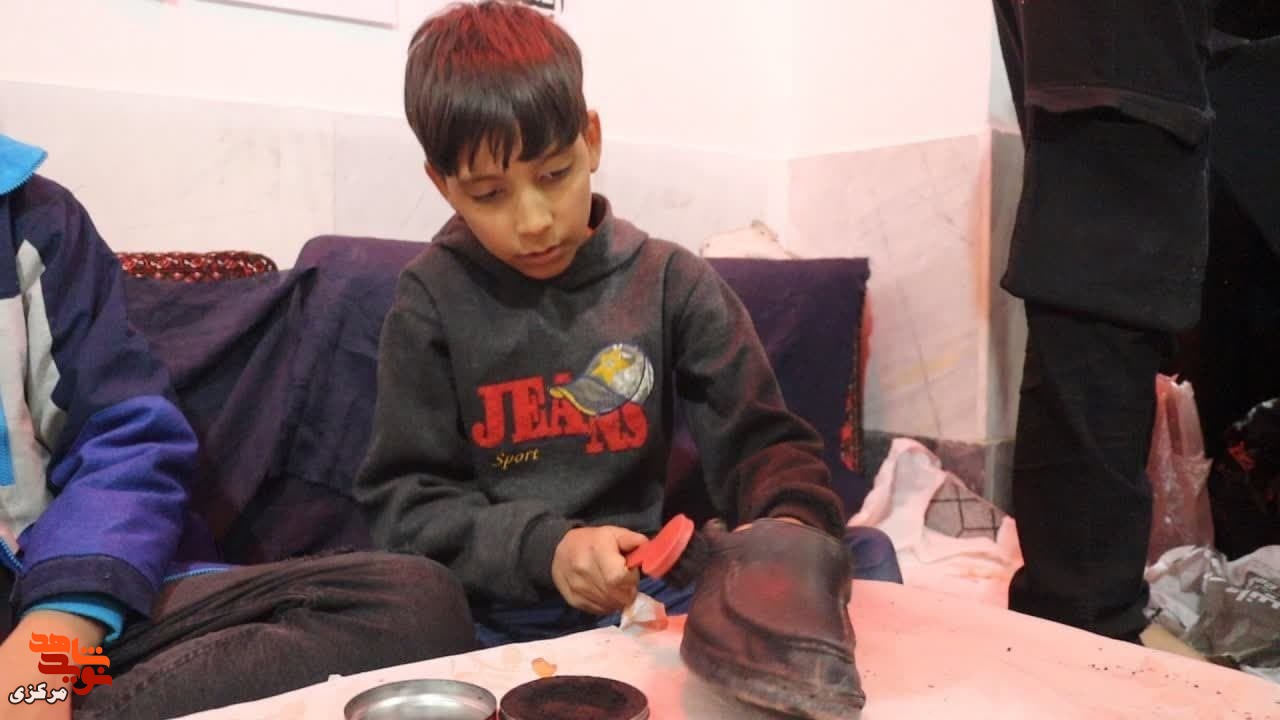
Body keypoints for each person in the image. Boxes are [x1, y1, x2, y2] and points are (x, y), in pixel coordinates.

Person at [355, 0, 898, 649]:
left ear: (591, 140)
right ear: (443, 184)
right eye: (489, 193)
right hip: (499, 606)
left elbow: (763, 445)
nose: (534, 221)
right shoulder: (431, 300)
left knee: (863, 556)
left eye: (554, 175)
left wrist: (787, 528)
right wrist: (550, 551)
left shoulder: (670, 282)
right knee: (395, 610)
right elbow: (408, 506)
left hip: (644, 590)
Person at [0, 134, 478, 720]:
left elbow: (127, 437)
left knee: (416, 604)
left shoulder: (38, 218)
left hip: (59, 611)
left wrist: (53, 640)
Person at [991, 1, 1212, 642]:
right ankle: (1082, 641)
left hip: (1106, 90)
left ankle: (1075, 631)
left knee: (1087, 347)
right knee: (1093, 334)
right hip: (1114, 91)